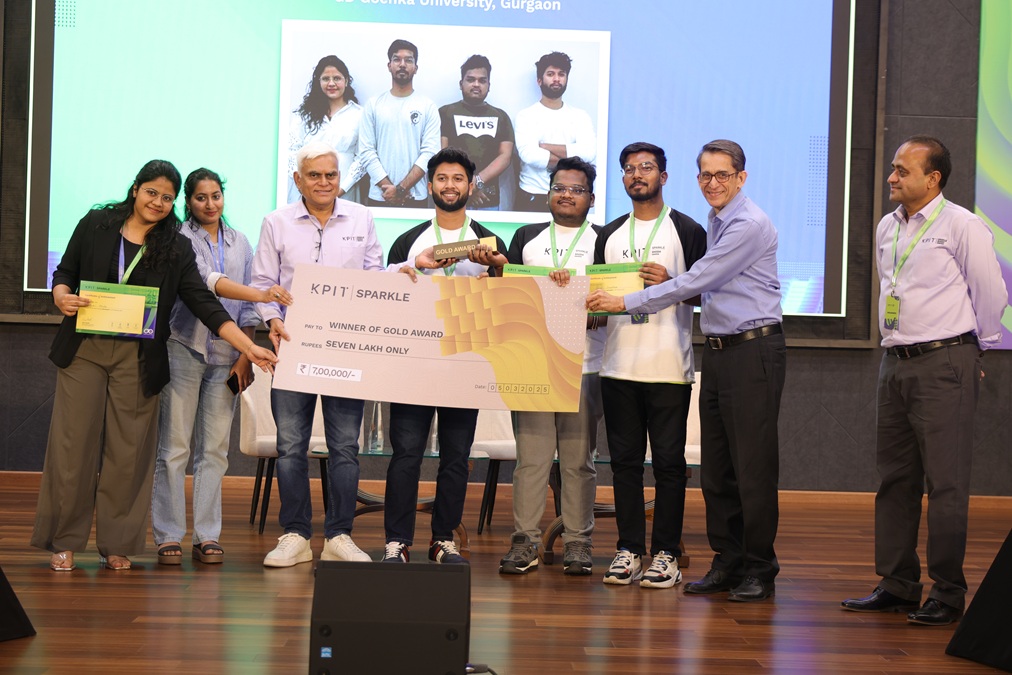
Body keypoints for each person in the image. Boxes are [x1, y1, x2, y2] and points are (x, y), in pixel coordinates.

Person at [32, 160, 277, 572]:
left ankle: (117, 544)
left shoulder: (175, 246)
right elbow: (66, 272)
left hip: (139, 357)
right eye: (151, 192)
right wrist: (60, 294)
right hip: (85, 349)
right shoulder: (96, 224)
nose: (158, 202)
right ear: (135, 189)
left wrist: (249, 347)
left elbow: (205, 303)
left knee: (128, 453)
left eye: (167, 197)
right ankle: (64, 541)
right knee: (73, 448)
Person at [587, 139, 786, 602]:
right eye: (706, 175)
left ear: (741, 177)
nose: (713, 183)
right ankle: (728, 561)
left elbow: (699, 281)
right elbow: (703, 289)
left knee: (751, 468)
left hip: (752, 350)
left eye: (722, 175)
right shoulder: (717, 220)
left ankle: (759, 568)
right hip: (718, 351)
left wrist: (625, 301)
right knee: (718, 469)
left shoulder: (746, 224)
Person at [841, 136, 1007, 625]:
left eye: (902, 170)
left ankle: (948, 594)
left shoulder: (962, 225)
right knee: (895, 479)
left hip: (944, 361)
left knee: (946, 484)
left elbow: (991, 293)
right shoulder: (887, 226)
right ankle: (898, 584)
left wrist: (976, 347)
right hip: (895, 361)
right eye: (893, 168)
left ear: (933, 179)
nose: (891, 177)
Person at [251, 141, 385, 568]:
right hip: (293, 347)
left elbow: (375, 278)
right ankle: (294, 534)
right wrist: (271, 320)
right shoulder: (276, 222)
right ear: (298, 179)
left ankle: (338, 536)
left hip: (346, 349)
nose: (324, 182)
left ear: (339, 178)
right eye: (314, 175)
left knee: (345, 447)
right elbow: (262, 283)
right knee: (291, 446)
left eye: (331, 174)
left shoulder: (362, 218)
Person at [579, 142, 706, 588]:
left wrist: (673, 283)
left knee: (669, 465)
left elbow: (706, 294)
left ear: (663, 177)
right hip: (617, 366)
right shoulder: (609, 234)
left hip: (668, 367)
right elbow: (599, 299)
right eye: (629, 168)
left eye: (646, 167)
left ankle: (666, 553)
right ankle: (629, 549)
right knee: (625, 465)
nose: (637, 174)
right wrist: (586, 304)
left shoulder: (687, 230)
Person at [151, 168, 293, 566]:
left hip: (228, 357)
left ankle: (207, 535)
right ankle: (168, 535)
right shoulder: (178, 237)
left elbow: (247, 309)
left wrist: (245, 354)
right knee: (175, 448)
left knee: (214, 450)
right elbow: (208, 282)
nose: (210, 204)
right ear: (188, 202)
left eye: (216, 196)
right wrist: (262, 293)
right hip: (183, 347)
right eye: (201, 197)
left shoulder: (241, 241)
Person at [381, 147, 507, 565]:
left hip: (465, 362)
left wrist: (497, 273)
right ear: (430, 185)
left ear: (470, 186)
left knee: (456, 457)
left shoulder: (491, 242)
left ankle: (442, 540)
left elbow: (507, 306)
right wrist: (416, 269)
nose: (449, 186)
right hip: (414, 363)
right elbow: (388, 299)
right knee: (406, 455)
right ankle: (397, 541)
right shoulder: (408, 240)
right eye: (441, 178)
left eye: (457, 179)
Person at [497, 156, 605, 576]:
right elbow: (508, 299)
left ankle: (578, 542)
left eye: (577, 190)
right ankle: (524, 542)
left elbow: (613, 302)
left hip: (585, 364)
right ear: (548, 193)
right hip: (533, 364)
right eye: (559, 187)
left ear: (590, 198)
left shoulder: (604, 240)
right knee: (531, 461)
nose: (567, 195)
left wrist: (581, 308)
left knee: (579, 462)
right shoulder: (526, 237)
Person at [359, 39, 440, 208]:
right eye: (397, 59)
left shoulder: (428, 106)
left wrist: (401, 189)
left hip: (415, 196)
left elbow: (430, 152)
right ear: (389, 65)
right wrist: (389, 189)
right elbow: (366, 151)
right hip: (380, 195)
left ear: (416, 68)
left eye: (408, 60)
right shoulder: (373, 105)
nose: (402, 64)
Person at [513, 52, 596, 212]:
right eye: (550, 74)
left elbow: (588, 153)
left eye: (561, 74)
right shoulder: (526, 116)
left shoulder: (581, 116)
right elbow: (530, 155)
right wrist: (573, 163)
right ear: (539, 80)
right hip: (533, 195)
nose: (556, 79)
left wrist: (545, 146)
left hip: (570, 196)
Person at [439, 54, 515, 210]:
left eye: (482, 80)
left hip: (488, 200)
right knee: (450, 228)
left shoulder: (501, 116)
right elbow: (441, 154)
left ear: (489, 85)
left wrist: (477, 182)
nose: (476, 84)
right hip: (452, 197)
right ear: (461, 83)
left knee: (483, 229)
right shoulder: (445, 113)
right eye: (470, 79)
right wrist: (464, 184)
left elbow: (505, 156)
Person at [287, 55, 365, 203]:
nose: (331, 83)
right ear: (318, 82)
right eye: (325, 79)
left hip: (344, 192)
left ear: (346, 81)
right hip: (306, 192)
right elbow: (291, 151)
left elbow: (363, 157)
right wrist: (303, 186)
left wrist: (341, 189)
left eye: (337, 78)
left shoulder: (360, 115)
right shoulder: (304, 115)